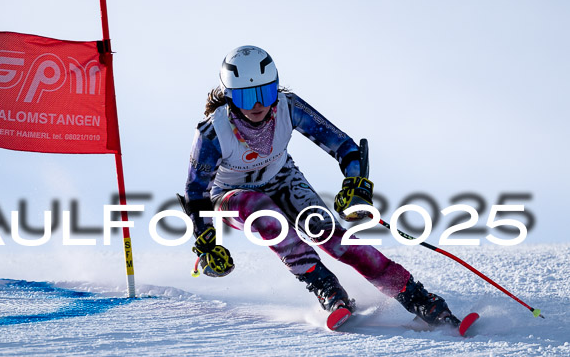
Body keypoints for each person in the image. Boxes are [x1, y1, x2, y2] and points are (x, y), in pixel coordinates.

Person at [183, 45, 460, 327]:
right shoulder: (212, 132)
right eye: (245, 96)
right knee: (261, 211)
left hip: (282, 179)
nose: (257, 105)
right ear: (229, 96)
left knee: (327, 232)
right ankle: (326, 288)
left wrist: (355, 184)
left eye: (265, 93)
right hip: (230, 198)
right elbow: (196, 193)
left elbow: (345, 147)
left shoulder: (288, 107)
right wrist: (207, 242)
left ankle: (417, 297)